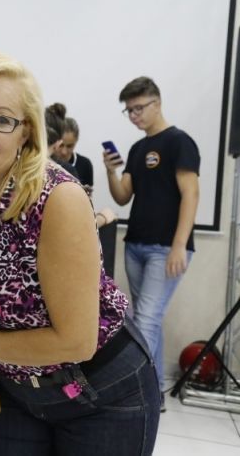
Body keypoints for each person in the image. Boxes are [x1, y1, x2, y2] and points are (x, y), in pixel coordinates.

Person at [0, 50, 160, 455]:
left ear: (26, 132)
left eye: (1, 119)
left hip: (102, 394)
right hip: (15, 392)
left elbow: (76, 342)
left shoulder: (55, 199)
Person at [103, 75, 200, 407]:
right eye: (128, 111)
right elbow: (122, 196)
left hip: (165, 249)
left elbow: (191, 194)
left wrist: (178, 245)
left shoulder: (179, 142)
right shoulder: (136, 148)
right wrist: (110, 171)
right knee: (147, 321)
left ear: (157, 102)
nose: (134, 115)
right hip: (136, 245)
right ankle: (153, 392)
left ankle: (131, 394)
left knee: (144, 321)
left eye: (139, 108)